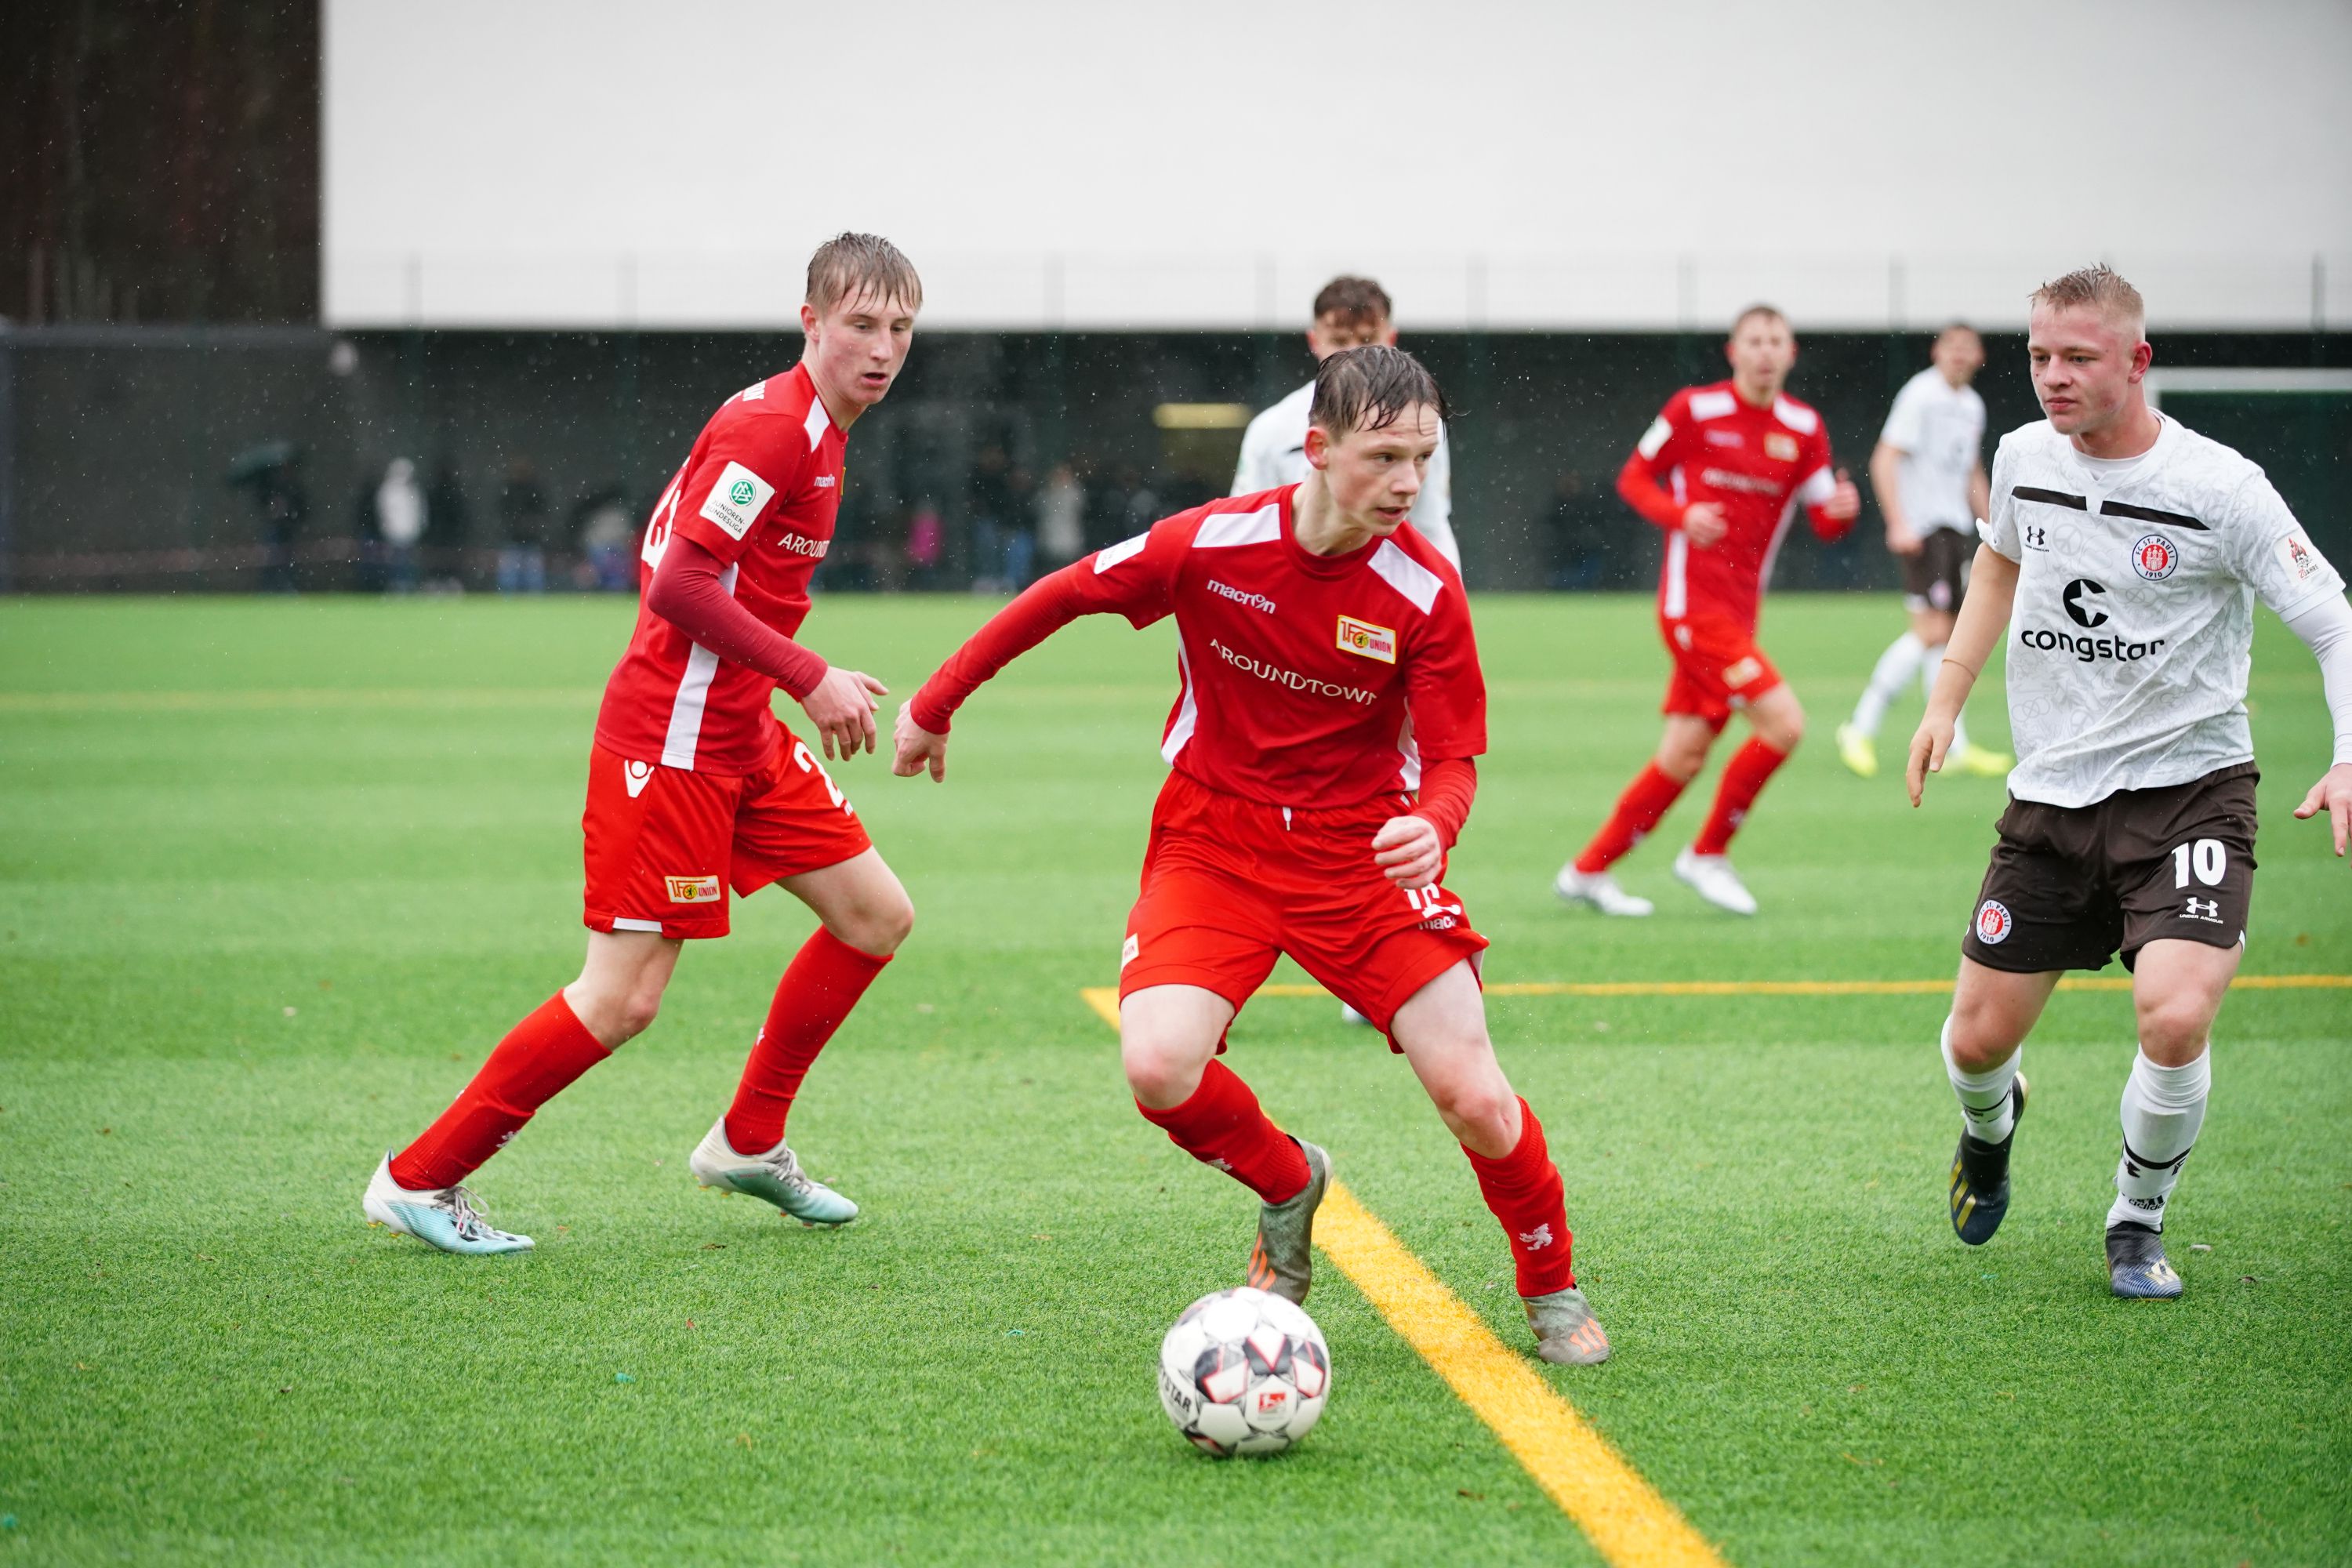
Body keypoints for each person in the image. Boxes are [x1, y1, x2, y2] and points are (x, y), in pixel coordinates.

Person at [893, 347, 1610, 1366]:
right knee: (1158, 1067)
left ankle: (1550, 1284)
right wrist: (933, 705)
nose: (1409, 483)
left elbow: (1452, 760)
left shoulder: (1425, 592)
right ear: (1314, 451)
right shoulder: (1210, 545)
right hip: (1213, 840)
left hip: (1361, 856)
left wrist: (1434, 827)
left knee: (1475, 1096)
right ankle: (1289, 1183)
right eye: (1384, 458)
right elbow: (1061, 594)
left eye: (1424, 457)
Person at [362, 234, 925, 1254]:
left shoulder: (814, 429)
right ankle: (420, 1177)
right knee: (623, 998)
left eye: (900, 328)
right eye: (861, 325)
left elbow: (678, 560)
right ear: (811, 323)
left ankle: (749, 1142)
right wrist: (811, 676)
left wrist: (777, 682)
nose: (882, 349)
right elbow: (676, 584)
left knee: (874, 917)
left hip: (738, 729)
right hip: (671, 737)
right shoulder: (776, 433)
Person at [1910, 265, 2352, 1299]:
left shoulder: (2220, 489)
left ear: (2137, 361)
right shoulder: (2023, 455)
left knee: (2175, 1013)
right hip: (2053, 797)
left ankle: (2135, 1221)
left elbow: (2335, 621)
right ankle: (1990, 1128)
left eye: (2077, 359)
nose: (2052, 378)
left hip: (2191, 792)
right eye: (2039, 357)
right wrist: (1946, 698)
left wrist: (2346, 757)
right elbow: (1999, 566)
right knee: (1977, 1045)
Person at [1554, 305, 1861, 917]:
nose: (1766, 351)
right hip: (1691, 608)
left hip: (1740, 615)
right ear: (1733, 351)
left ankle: (1586, 872)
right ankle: (1707, 853)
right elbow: (1634, 478)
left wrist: (1845, 511)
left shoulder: (1803, 426)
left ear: (1791, 353)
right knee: (1785, 724)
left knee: (1683, 755)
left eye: (1777, 341)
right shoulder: (1695, 409)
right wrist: (1680, 515)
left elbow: (1826, 520)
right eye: (1755, 340)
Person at [1838, 325, 2011, 779]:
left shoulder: (1971, 405)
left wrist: (1994, 522)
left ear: (1979, 356)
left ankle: (1956, 746)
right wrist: (1898, 522)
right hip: (1924, 530)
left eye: (1967, 348)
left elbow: (1969, 466)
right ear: (1937, 351)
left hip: (1955, 529)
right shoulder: (1920, 395)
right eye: (1950, 347)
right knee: (1932, 632)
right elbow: (1884, 458)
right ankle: (1859, 727)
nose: (1958, 355)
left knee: (1950, 634)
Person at [1232, 277, 1458, 569]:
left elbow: (1431, 526)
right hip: (1291, 584)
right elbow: (1250, 524)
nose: (1353, 352)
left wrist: (1448, 597)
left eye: (1366, 339)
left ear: (1390, 340)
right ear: (1314, 341)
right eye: (1339, 340)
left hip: (1382, 588)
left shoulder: (1422, 425)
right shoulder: (1271, 429)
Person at [375, 457, 426, 594]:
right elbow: (385, 512)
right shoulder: (388, 490)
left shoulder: (413, 490)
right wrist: (388, 529)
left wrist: (418, 528)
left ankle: (409, 585)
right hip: (394, 534)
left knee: (409, 562)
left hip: (410, 533)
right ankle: (397, 586)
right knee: (396, 562)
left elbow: (419, 511)